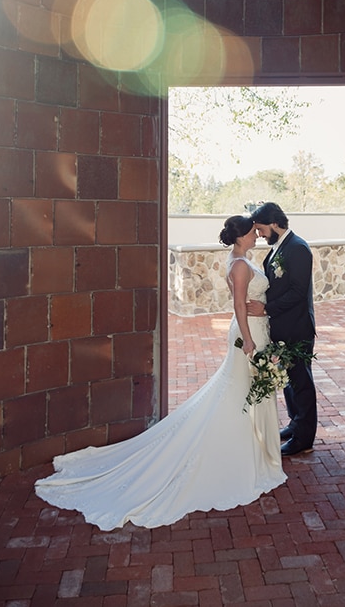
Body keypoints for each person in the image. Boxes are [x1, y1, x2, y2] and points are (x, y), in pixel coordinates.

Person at [34, 215, 286, 530]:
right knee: (239, 394)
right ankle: (241, 457)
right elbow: (238, 304)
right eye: (252, 233)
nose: (256, 236)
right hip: (249, 335)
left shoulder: (242, 259)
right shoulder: (239, 265)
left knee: (242, 392)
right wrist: (248, 339)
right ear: (240, 238)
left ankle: (256, 452)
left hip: (258, 331)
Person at [246, 202, 317, 456]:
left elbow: (298, 293)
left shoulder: (298, 248)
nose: (260, 234)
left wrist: (265, 310)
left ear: (275, 223)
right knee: (289, 381)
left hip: (297, 328)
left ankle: (304, 438)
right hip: (282, 327)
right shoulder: (279, 247)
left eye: (262, 229)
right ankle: (294, 423)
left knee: (301, 382)